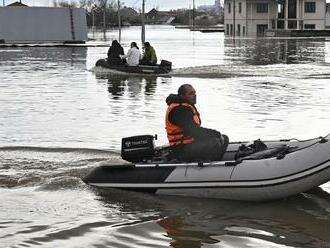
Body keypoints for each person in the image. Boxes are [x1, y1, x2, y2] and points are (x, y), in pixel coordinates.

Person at [165, 84, 229, 162]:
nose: (194, 96)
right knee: (214, 142)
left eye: (194, 93)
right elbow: (193, 131)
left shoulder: (185, 106)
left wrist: (216, 135)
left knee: (224, 138)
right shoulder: (180, 110)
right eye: (191, 94)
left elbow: (194, 131)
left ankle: (212, 161)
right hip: (180, 148)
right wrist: (216, 134)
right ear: (182, 96)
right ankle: (209, 165)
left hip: (189, 143)